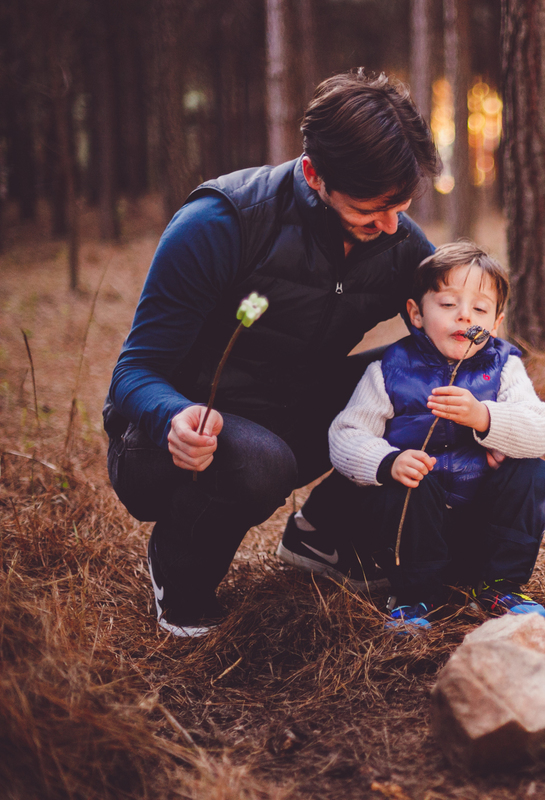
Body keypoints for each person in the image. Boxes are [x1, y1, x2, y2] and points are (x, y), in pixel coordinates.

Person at [106, 70, 448, 637]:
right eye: (372, 209)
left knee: (429, 383)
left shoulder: (396, 239)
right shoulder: (221, 224)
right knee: (262, 461)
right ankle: (179, 572)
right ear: (314, 174)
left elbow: (452, 326)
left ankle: (323, 533)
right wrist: (173, 416)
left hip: (290, 411)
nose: (393, 225)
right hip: (174, 435)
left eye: (402, 205)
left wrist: (491, 392)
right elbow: (133, 371)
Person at [309, 242, 545, 631]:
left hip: (483, 528)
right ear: (416, 313)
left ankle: (500, 585)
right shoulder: (389, 370)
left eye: (479, 309)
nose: (465, 316)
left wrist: (485, 417)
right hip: (413, 531)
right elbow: (346, 434)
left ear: (494, 324)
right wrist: (388, 461)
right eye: (448, 304)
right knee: (403, 486)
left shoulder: (503, 366)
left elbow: (540, 428)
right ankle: (413, 596)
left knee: (538, 476)